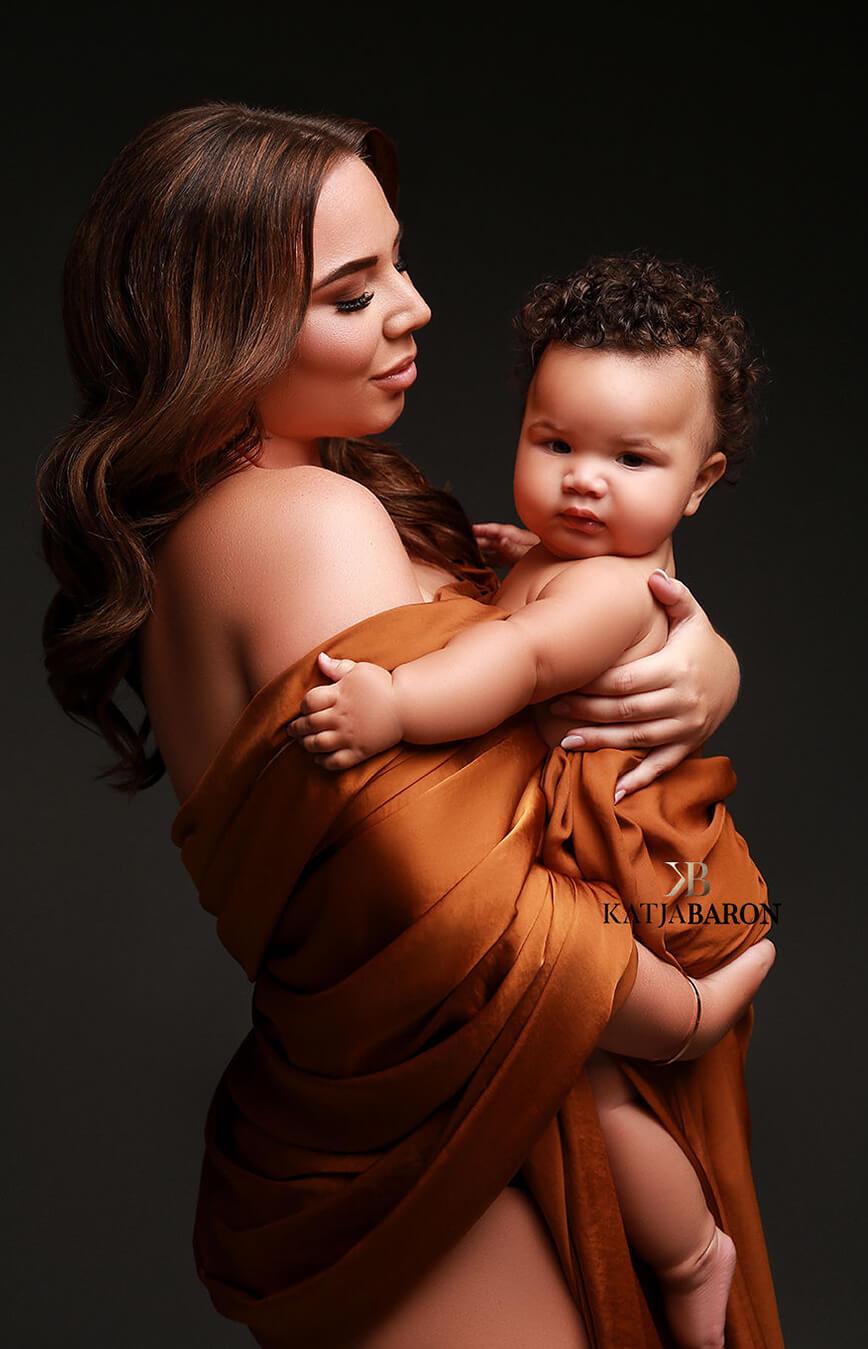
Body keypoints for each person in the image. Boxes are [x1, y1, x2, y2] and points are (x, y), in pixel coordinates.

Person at [35, 102, 778, 1347]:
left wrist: (700, 664)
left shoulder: (270, 511)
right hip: (454, 1135)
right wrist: (680, 1010)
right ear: (219, 326)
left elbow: (539, 654)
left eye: (401, 261)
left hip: (429, 1102)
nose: (415, 306)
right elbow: (450, 905)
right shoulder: (301, 521)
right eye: (351, 289)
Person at [286, 249, 769, 1347]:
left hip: (659, 884)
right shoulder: (567, 563)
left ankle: (694, 1253)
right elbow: (522, 613)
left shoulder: (606, 591)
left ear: (700, 482)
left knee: (595, 1083)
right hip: (621, 866)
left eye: (632, 458)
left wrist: (397, 708)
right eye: (556, 443)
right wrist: (516, 567)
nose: (584, 479)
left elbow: (514, 665)